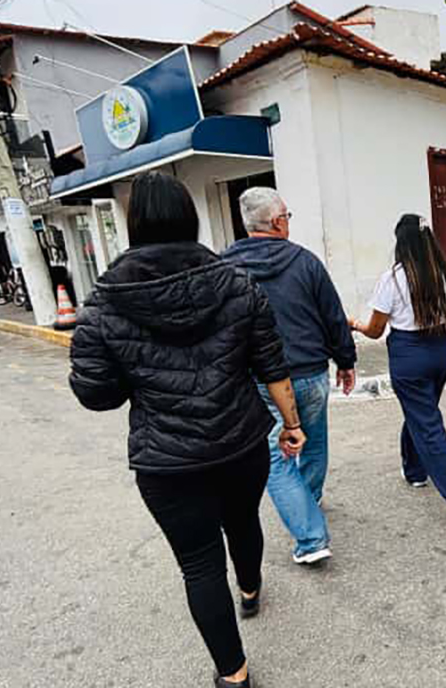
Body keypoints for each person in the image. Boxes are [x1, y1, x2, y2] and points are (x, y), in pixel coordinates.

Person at [70, 172, 305, 688]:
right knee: (243, 520)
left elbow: (96, 393)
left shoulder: (106, 302)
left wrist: (136, 377)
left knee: (198, 566)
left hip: (166, 462)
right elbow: (271, 363)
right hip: (241, 442)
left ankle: (234, 675)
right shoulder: (236, 282)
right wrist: (291, 425)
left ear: (134, 226)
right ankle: (250, 589)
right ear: (189, 218)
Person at [223, 187, 357, 566]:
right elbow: (333, 315)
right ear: (278, 221)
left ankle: (310, 535)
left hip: (257, 380)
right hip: (310, 373)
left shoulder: (224, 267)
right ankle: (308, 503)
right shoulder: (306, 262)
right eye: (288, 216)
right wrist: (345, 360)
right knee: (313, 442)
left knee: (274, 458)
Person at [350, 213, 446, 520]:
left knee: (427, 422)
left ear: (401, 243)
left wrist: (354, 324)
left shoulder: (393, 278)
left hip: (409, 355)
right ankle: (414, 470)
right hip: (440, 352)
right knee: (421, 413)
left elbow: (375, 329)